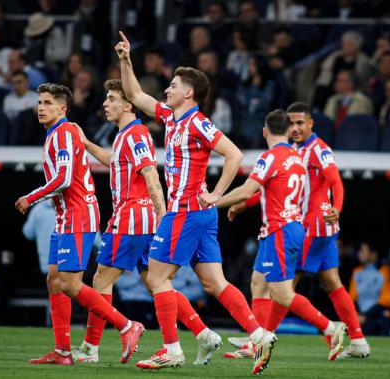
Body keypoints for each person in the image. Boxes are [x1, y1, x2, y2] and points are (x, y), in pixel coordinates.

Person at [115, 31, 276, 375]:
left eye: (173, 85)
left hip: (185, 211)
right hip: (199, 215)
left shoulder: (197, 122)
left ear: (188, 93)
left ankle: (171, 349)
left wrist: (218, 193)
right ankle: (259, 334)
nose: (167, 89)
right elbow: (135, 94)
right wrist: (126, 60)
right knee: (213, 283)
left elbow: (234, 154)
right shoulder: (172, 118)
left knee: (157, 279)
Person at [72, 78, 222, 365]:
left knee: (101, 279)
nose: (105, 103)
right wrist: (88, 144)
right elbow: (115, 160)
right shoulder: (125, 135)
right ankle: (202, 333)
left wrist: (163, 211)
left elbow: (151, 173)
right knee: (157, 284)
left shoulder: (136, 134)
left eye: (112, 99)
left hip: (131, 217)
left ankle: (93, 348)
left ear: (128, 104)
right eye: (106, 98)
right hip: (145, 220)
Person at [14, 83, 144, 366]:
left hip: (78, 214)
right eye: (39, 102)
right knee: (53, 279)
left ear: (63, 108)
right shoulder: (55, 134)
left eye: (48, 103)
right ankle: (62, 352)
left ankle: (126, 326)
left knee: (71, 284)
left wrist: (31, 196)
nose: (41, 107)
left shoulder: (63, 134)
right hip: (64, 217)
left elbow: (63, 178)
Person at [226, 103, 367, 359]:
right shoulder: (293, 153)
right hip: (307, 226)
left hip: (312, 226)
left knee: (284, 288)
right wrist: (244, 204)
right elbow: (273, 189)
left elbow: (335, 180)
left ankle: (264, 338)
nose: (295, 128)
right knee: (330, 282)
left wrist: (337, 207)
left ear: (311, 123)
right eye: (291, 124)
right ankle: (357, 340)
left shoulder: (318, 149)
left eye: (300, 123)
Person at [22, 199, 55, 274]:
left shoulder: (38, 209)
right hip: (69, 262)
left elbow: (28, 233)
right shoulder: (70, 207)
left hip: (47, 263)